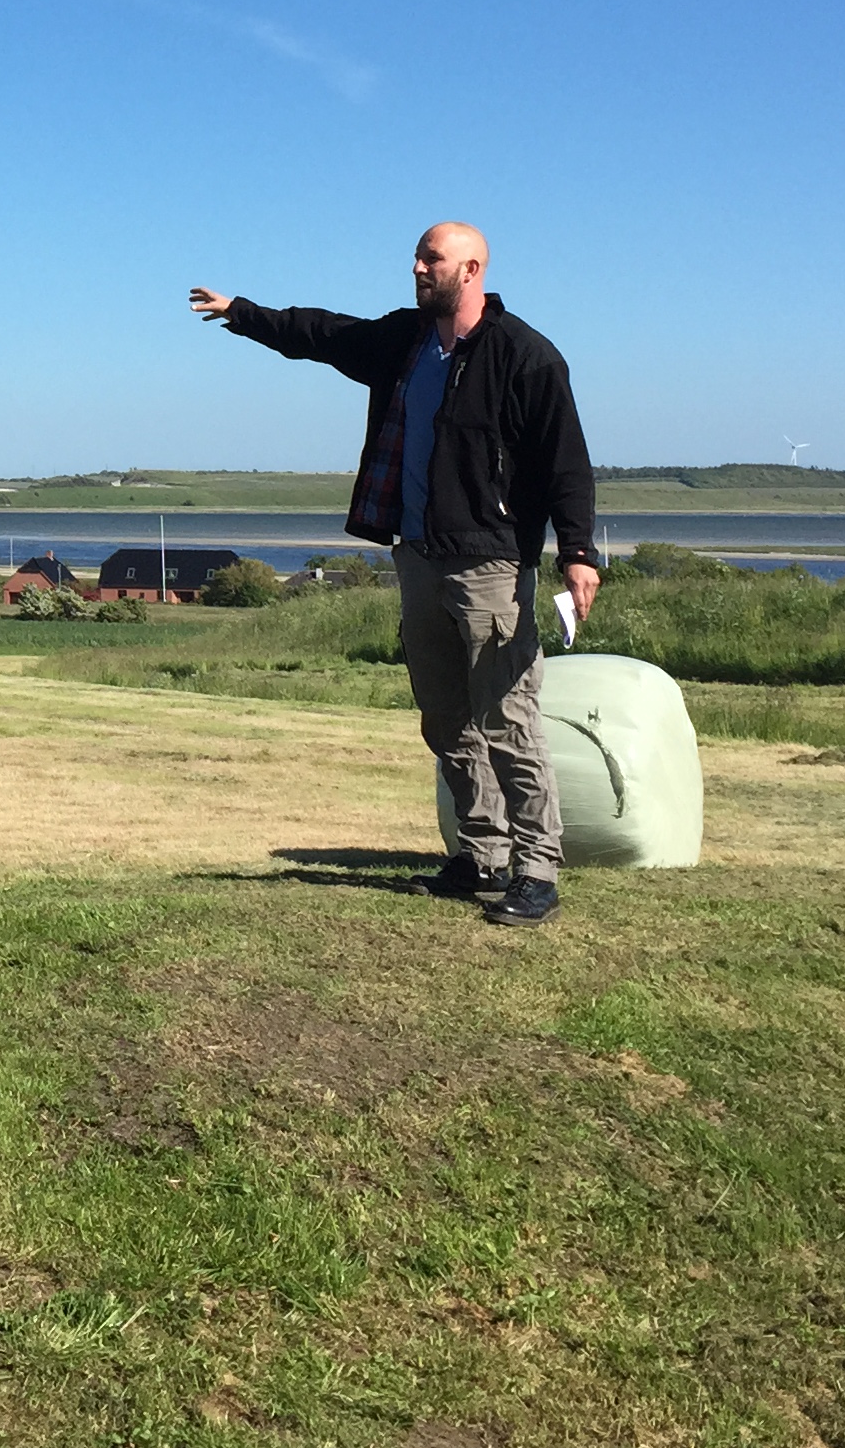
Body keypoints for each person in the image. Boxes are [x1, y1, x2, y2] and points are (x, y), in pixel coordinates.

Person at [191, 223, 600, 927]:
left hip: (492, 564)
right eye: (417, 256)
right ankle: (482, 856)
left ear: (470, 270)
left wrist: (578, 553)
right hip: (416, 556)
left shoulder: (525, 357)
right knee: (446, 721)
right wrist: (241, 313)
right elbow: (322, 333)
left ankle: (536, 870)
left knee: (509, 721)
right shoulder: (406, 342)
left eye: (430, 258)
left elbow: (565, 462)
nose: (416, 267)